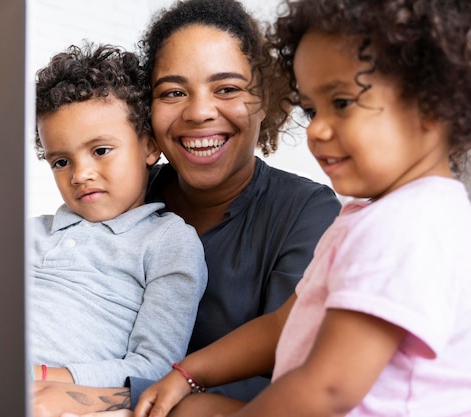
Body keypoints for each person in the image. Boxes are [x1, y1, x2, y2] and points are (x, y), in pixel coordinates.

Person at [133, 0, 471, 416]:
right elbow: (286, 326)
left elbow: (329, 389)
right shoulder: (376, 214)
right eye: (312, 108)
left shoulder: (411, 224)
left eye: (343, 103)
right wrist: (190, 373)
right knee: (189, 409)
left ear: (434, 105)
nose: (317, 128)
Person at [31, 0, 341, 415]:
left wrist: (97, 391)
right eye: (173, 92)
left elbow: (294, 369)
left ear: (264, 98)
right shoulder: (114, 194)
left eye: (227, 88)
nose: (198, 112)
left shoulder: (305, 214)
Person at [28, 43, 208, 395]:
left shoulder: (167, 241)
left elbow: (153, 368)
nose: (80, 175)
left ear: (149, 147)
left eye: (100, 151)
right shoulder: (29, 232)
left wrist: (43, 376)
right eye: (61, 161)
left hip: (60, 395)